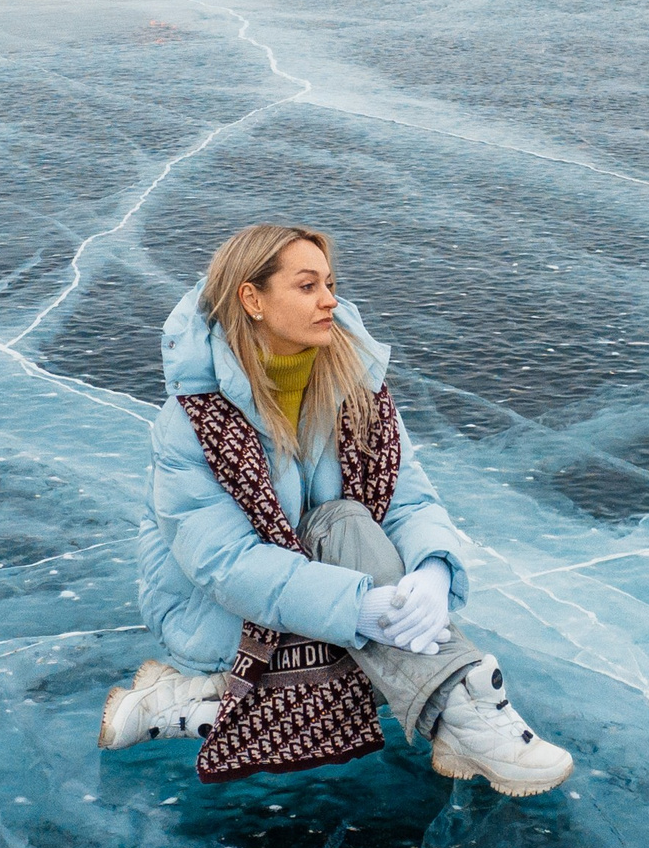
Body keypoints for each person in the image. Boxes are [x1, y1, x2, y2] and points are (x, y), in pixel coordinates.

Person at [99, 222, 574, 795]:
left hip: (320, 574)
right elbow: (224, 565)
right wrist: (358, 609)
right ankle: (462, 702)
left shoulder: (355, 387)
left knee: (358, 556)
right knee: (384, 667)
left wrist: (432, 571)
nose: (331, 300)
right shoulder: (192, 423)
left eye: (330, 282)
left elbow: (409, 499)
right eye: (306, 286)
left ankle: (197, 701)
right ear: (252, 298)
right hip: (215, 610)